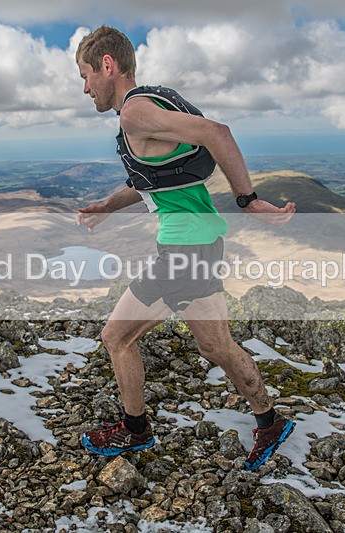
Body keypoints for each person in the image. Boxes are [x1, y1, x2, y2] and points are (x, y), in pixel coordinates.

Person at [74, 26, 297, 470]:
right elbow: (151, 180)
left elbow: (217, 132)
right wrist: (107, 206)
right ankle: (269, 420)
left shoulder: (133, 113)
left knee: (116, 337)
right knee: (217, 347)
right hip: (202, 245)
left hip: (183, 253)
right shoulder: (148, 109)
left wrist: (248, 200)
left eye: (84, 75)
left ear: (107, 65)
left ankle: (134, 431)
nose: (85, 88)